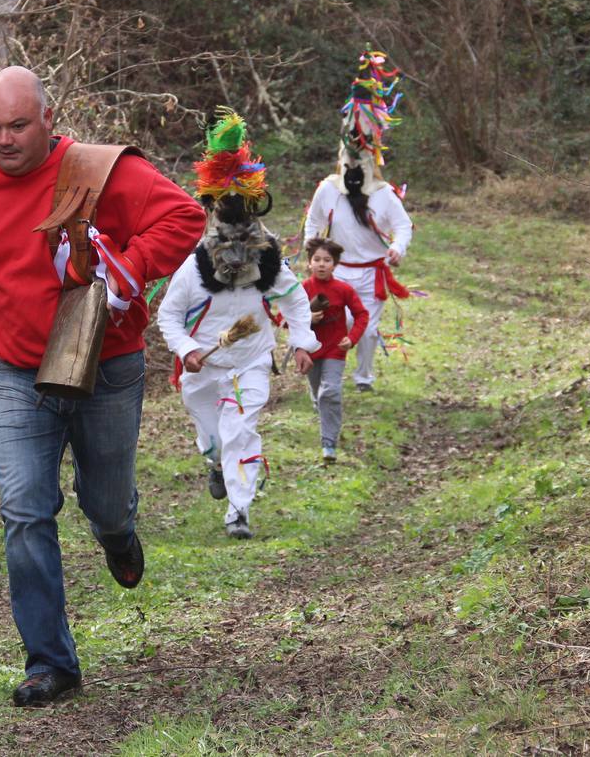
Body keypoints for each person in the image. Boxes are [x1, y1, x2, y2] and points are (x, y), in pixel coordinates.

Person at [0, 66, 204, 707]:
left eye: (18, 126)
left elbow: (184, 218)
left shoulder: (100, 173)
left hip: (107, 367)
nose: (4, 140)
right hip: (19, 373)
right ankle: (51, 663)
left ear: (49, 119)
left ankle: (117, 532)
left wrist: (126, 270)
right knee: (24, 512)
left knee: (104, 503)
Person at [157, 110, 317, 540]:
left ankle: (238, 510)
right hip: (204, 370)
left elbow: (296, 299)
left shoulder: (267, 263)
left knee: (241, 431)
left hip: (249, 362)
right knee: (214, 437)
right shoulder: (192, 269)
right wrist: (187, 349)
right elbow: (168, 317)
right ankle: (213, 463)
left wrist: (302, 342)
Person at [302, 50, 413, 392]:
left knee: (364, 326)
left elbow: (403, 226)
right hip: (337, 271)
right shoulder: (328, 189)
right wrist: (312, 254)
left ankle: (363, 377)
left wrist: (397, 247)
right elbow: (313, 222)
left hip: (371, 273)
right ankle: (324, 373)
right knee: (335, 323)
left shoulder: (382, 193)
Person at [301, 237, 368, 464]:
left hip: (336, 350)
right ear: (309, 263)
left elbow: (362, 314)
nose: (321, 264)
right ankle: (320, 405)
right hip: (311, 350)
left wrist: (352, 338)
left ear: (335, 264)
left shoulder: (343, 289)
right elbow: (284, 317)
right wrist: (308, 318)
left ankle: (328, 443)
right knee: (318, 391)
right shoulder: (302, 289)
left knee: (329, 392)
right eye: (316, 259)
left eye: (327, 260)